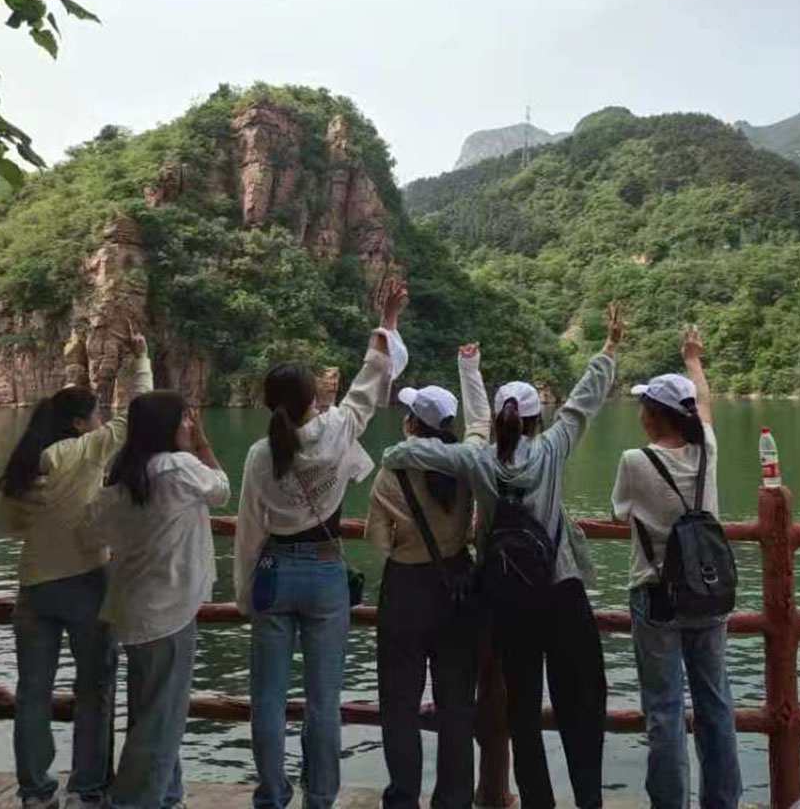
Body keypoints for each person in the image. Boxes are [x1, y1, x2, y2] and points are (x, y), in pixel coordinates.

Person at [381, 305, 626, 809]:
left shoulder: (477, 459)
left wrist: (397, 452)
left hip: (510, 601)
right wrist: (608, 349)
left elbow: (410, 453)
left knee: (522, 713)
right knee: (582, 703)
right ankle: (589, 800)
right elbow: (583, 401)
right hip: (560, 591)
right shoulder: (553, 448)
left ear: (498, 420)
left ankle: (538, 802)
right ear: (537, 419)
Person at [235, 278, 410, 809]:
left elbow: (249, 529)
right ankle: (321, 797)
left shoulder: (259, 455)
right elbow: (372, 378)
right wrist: (388, 320)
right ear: (314, 398)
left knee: (267, 700)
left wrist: (245, 594)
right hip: (326, 572)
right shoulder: (338, 430)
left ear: (269, 403)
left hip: (273, 574)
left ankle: (272, 795)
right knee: (323, 701)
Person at [0, 322, 152, 809]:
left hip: (33, 589)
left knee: (32, 693)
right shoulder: (82, 453)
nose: (101, 419)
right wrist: (140, 359)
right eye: (95, 414)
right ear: (80, 424)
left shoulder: (25, 465)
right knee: (94, 688)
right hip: (86, 582)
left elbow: (7, 526)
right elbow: (134, 419)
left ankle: (35, 792)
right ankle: (87, 789)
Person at [610, 327, 742, 809]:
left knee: (664, 712)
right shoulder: (707, 449)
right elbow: (704, 407)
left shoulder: (634, 461)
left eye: (644, 406)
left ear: (654, 416)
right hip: (709, 593)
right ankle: (722, 802)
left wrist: (690, 364)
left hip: (656, 597)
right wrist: (693, 361)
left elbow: (619, 513)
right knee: (716, 705)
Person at [80, 392, 230, 809]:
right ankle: (132, 802)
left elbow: (92, 526)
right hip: (169, 612)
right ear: (166, 426)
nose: (189, 425)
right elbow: (221, 489)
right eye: (184, 419)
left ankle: (167, 796)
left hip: (133, 609)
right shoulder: (179, 468)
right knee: (160, 723)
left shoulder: (123, 474)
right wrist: (203, 446)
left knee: (150, 711)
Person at [365, 344, 490, 809]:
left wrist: (405, 545)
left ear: (412, 425)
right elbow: (481, 427)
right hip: (455, 584)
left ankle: (403, 797)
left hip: (405, 589)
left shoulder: (390, 474)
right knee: (456, 702)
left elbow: (378, 541)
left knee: (399, 702)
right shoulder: (465, 465)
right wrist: (470, 368)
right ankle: (454, 799)